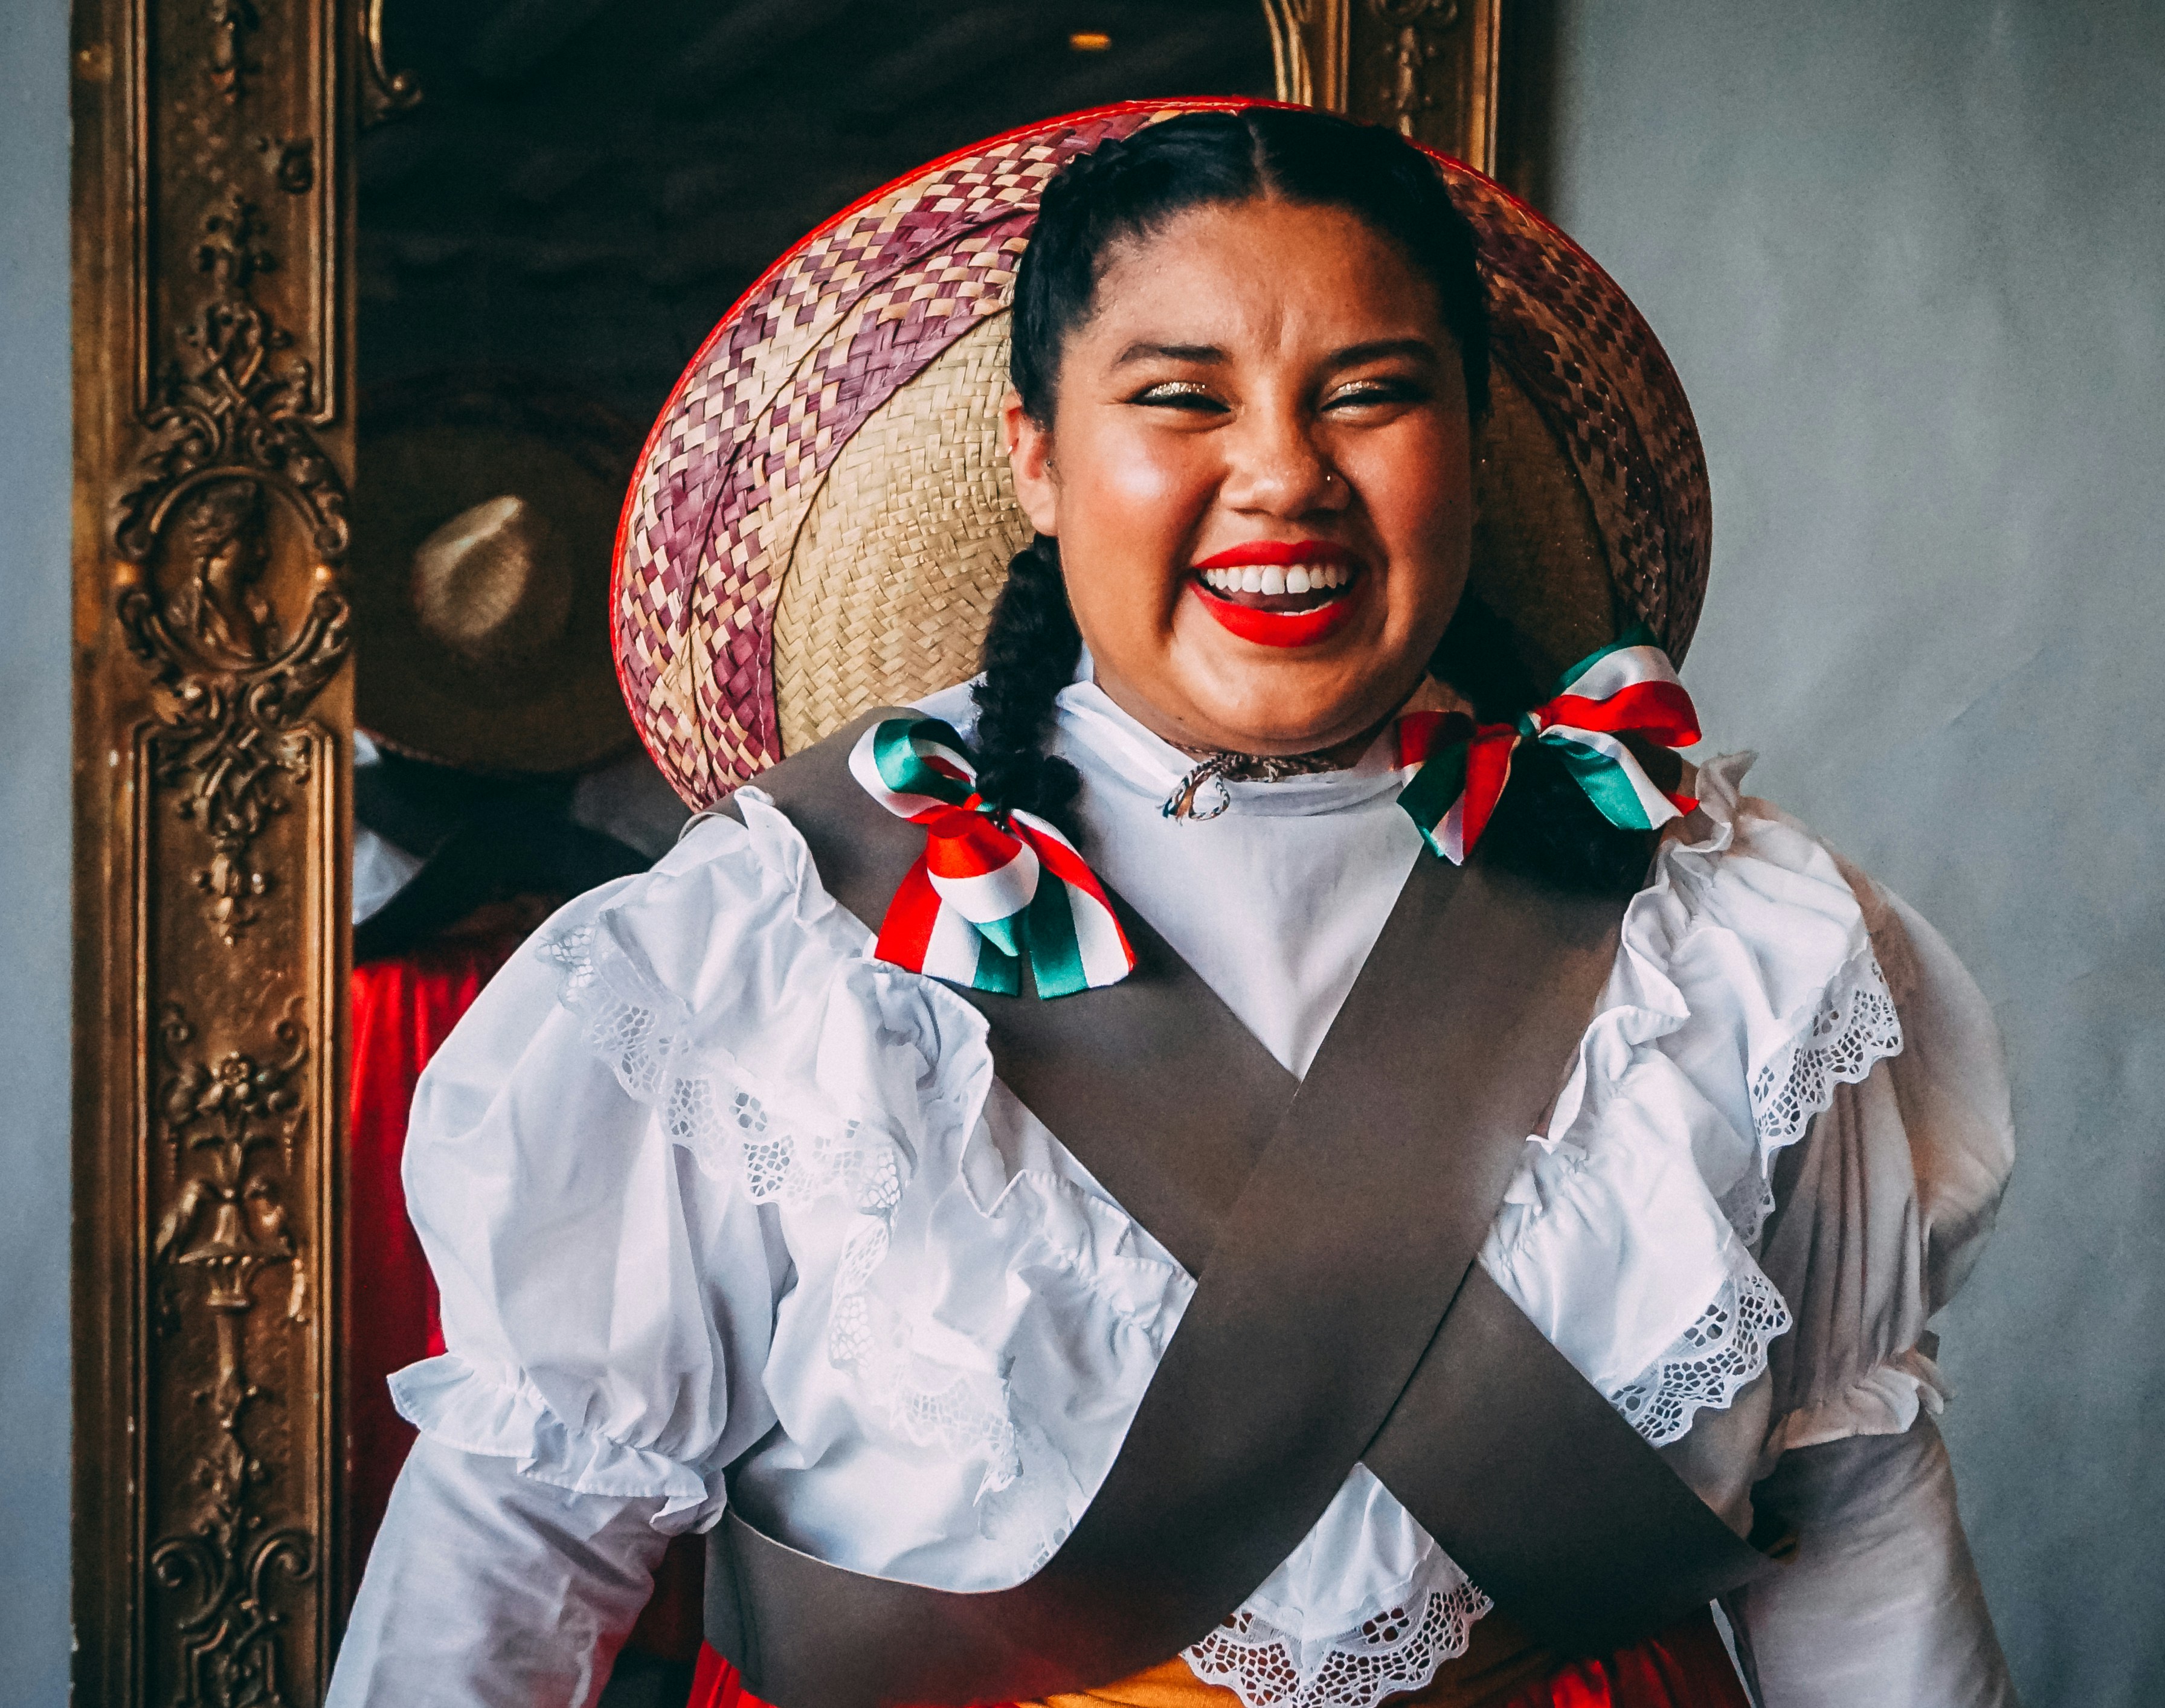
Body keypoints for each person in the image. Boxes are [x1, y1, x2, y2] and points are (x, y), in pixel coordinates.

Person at [329, 102, 2018, 1708]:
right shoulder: (770, 941)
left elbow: (1849, 1503)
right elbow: (525, 1523)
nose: (1281, 473)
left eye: (1368, 391)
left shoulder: (1727, 928)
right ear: (1038, 460)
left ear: (1469, 445)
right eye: (1181, 395)